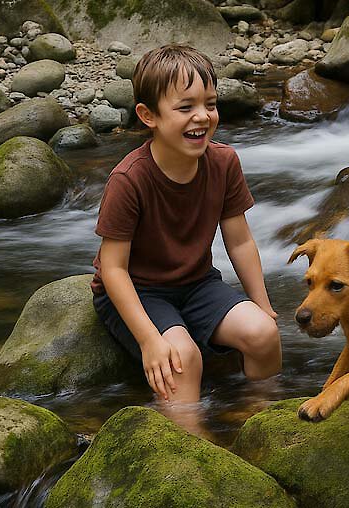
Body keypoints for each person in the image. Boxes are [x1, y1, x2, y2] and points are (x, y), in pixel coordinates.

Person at [90, 44, 282, 424]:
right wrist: (148, 340)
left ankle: (259, 421)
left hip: (197, 284)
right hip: (139, 290)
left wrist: (263, 304)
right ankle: (190, 444)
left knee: (263, 335)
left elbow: (239, 239)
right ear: (149, 116)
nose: (202, 117)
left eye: (209, 104)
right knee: (183, 359)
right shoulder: (130, 179)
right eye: (185, 107)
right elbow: (113, 269)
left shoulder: (223, 161)